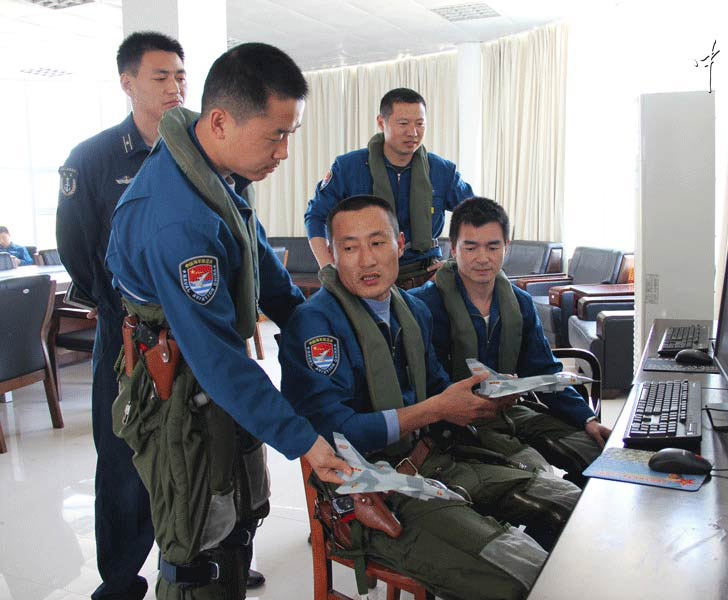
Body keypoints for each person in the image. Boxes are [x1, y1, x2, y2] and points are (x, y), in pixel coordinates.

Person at [104, 42, 351, 600]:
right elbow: (214, 358)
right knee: (199, 543)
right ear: (220, 121)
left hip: (216, 381)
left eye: (290, 134)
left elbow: (258, 256)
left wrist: (318, 324)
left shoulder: (215, 169)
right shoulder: (177, 220)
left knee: (241, 508)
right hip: (179, 390)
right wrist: (305, 442)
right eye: (276, 136)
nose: (284, 152)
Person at [279, 195, 582, 600]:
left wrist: (485, 393)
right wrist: (437, 407)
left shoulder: (411, 311)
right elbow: (335, 434)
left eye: (377, 243)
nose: (366, 260)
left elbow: (440, 386)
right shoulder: (316, 325)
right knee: (520, 572)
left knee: (571, 505)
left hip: (436, 458)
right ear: (331, 254)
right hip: (371, 488)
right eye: (349, 247)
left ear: (400, 244)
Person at [55, 31, 188, 600]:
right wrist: (123, 310)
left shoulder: (202, 149)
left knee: (198, 447)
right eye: (161, 77)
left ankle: (193, 559)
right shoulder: (93, 159)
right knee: (124, 456)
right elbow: (76, 250)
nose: (175, 87)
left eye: (181, 76)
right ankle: (120, 579)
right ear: (128, 83)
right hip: (127, 334)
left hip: (194, 330)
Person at [410, 197, 611, 485]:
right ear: (453, 248)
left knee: (601, 459)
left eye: (493, 247)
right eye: (471, 247)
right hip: (455, 424)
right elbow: (428, 384)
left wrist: (586, 418)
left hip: (512, 410)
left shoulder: (520, 304)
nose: (483, 258)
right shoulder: (422, 307)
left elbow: (544, 372)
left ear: (507, 247)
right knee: (545, 482)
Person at [304, 87, 474, 288]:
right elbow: (316, 216)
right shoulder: (348, 167)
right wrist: (329, 269)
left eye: (420, 124)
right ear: (380, 122)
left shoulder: (441, 170)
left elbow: (477, 217)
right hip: (367, 276)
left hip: (426, 276)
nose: (413, 132)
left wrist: (457, 264)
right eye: (403, 123)